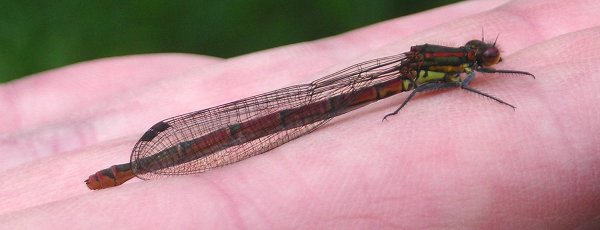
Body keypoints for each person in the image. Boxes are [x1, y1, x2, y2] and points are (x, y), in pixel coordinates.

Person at [1, 0, 599, 228]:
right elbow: (463, 84)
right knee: (269, 123)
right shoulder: (444, 70)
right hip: (314, 102)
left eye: (478, 61)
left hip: (375, 84)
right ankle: (135, 169)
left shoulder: (443, 67)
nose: (483, 61)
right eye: (476, 59)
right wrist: (488, 83)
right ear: (459, 61)